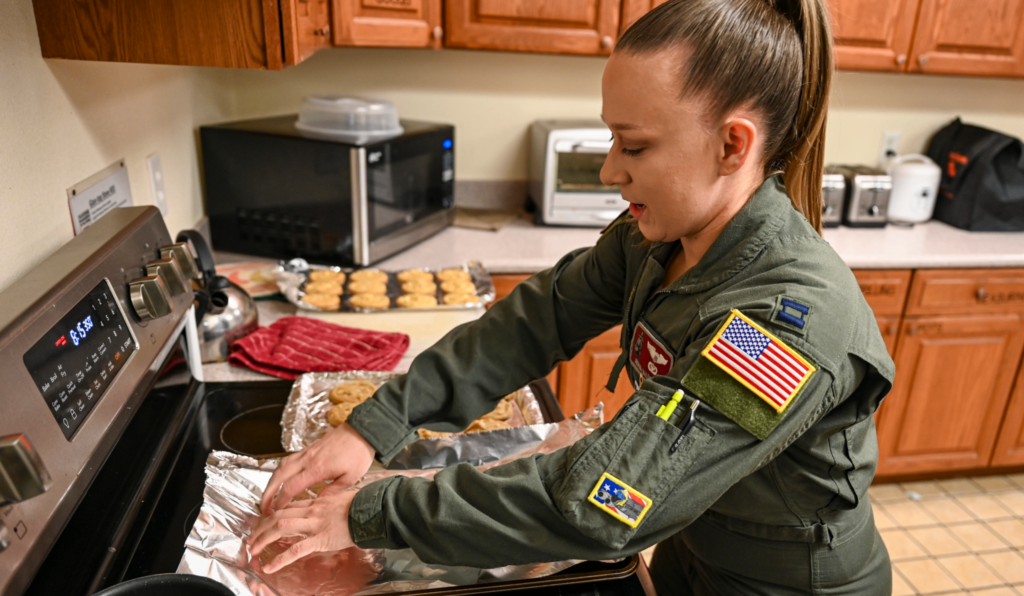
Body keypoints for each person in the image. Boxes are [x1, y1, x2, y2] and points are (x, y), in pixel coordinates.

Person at [247, 0, 896, 593]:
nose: (612, 170)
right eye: (612, 139)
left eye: (635, 145)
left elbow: (608, 498)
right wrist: (374, 425)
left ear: (732, 144)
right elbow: (538, 319)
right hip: (691, 548)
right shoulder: (658, 237)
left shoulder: (781, 322)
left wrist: (371, 510)